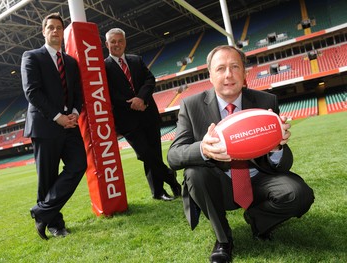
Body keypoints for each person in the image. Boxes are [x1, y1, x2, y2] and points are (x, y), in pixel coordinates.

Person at [167, 45, 314, 262]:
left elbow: (283, 164)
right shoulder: (191, 105)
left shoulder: (266, 102)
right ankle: (224, 239)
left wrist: (276, 146)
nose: (228, 74)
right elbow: (173, 156)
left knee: (299, 194)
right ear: (210, 75)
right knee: (194, 173)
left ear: (245, 73)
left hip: (259, 178)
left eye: (235, 67)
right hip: (219, 183)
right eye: (221, 68)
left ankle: (258, 220)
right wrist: (203, 149)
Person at [21, 12, 87, 240]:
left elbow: (77, 92)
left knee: (79, 164)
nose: (55, 31)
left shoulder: (70, 62)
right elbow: (32, 92)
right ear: (43, 31)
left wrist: (75, 113)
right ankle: (55, 224)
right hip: (45, 125)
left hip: (70, 125)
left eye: (59, 27)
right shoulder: (31, 57)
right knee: (47, 178)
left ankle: (41, 212)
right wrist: (57, 116)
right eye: (50, 27)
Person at [104, 28, 181, 201]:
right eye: (113, 41)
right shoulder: (103, 67)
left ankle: (158, 191)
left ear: (125, 42)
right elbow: (109, 93)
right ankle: (171, 178)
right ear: (106, 44)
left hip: (148, 113)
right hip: (127, 119)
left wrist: (141, 98)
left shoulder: (136, 60)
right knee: (145, 153)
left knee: (154, 153)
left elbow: (150, 80)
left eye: (120, 41)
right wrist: (132, 102)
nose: (117, 44)